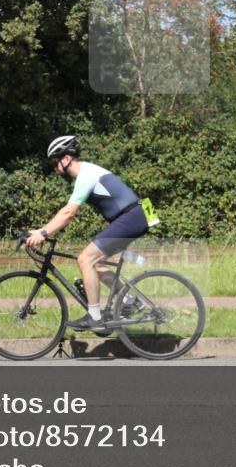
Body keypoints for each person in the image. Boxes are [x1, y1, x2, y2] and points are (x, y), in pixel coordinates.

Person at [25, 135, 149, 332]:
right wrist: (41, 230)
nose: (55, 168)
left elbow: (68, 212)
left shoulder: (86, 175)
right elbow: (67, 212)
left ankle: (95, 317)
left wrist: (43, 232)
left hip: (133, 217)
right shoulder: (88, 171)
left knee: (85, 259)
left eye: (55, 162)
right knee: (95, 264)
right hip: (135, 215)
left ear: (66, 159)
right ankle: (130, 302)